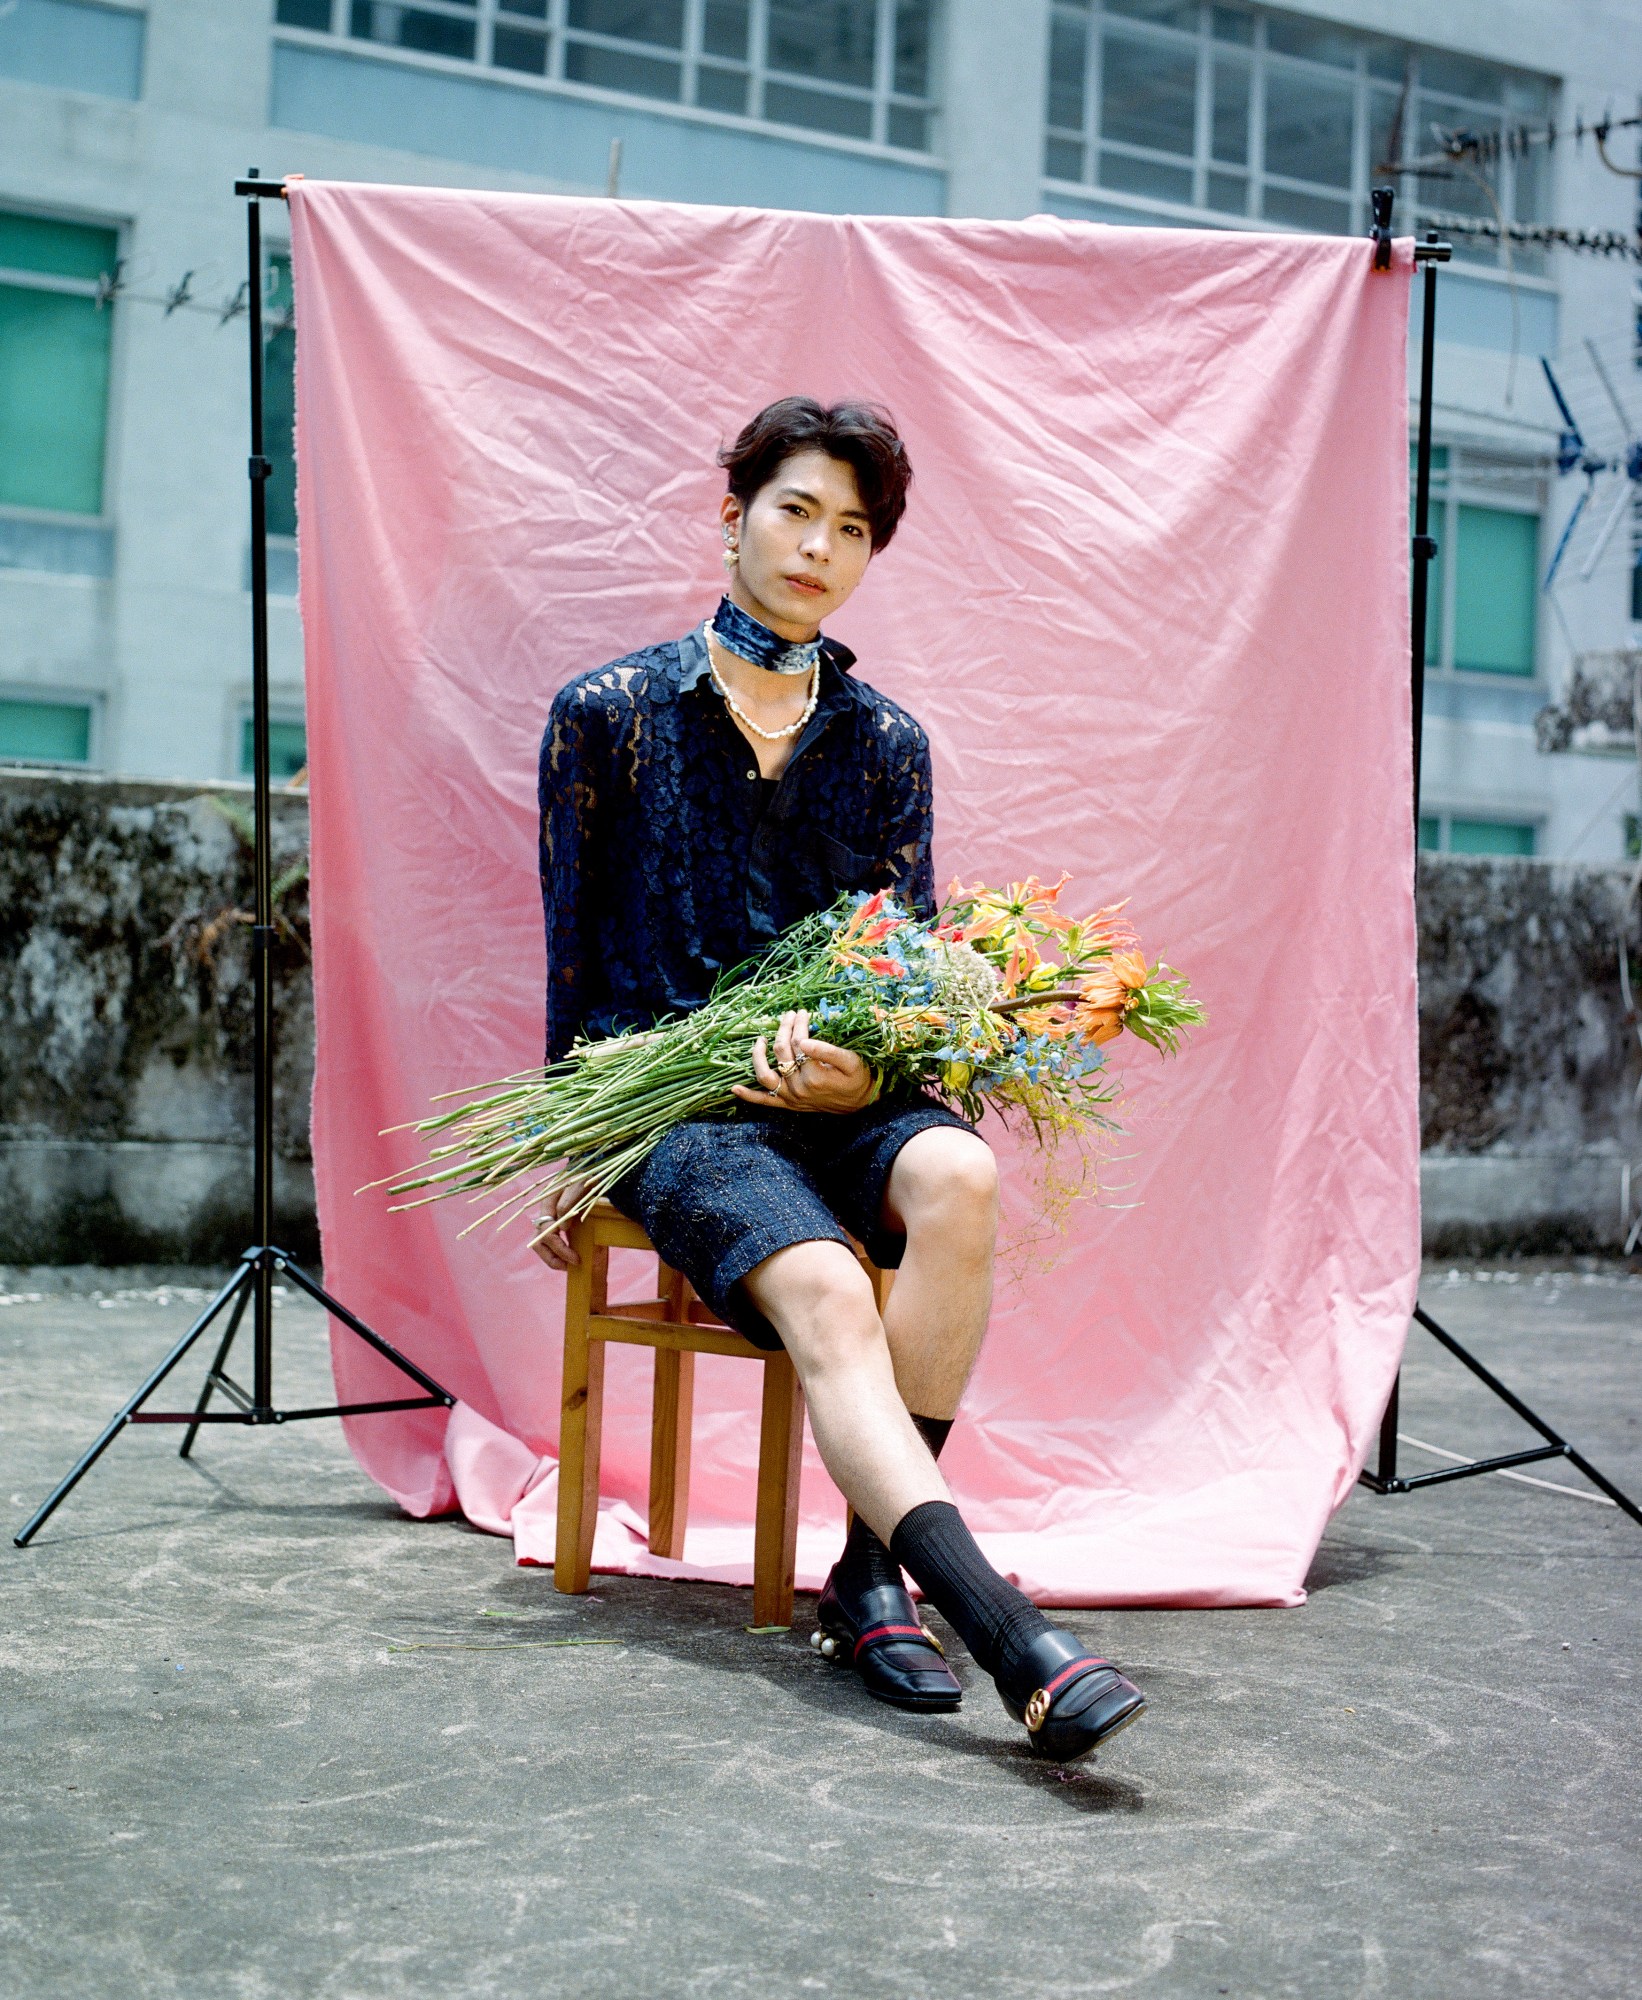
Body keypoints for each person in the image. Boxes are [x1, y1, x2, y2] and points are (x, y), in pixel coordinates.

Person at [529, 396, 1144, 1761]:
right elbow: (576, 970)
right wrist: (572, 1146)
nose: (817, 547)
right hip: (672, 1103)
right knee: (813, 1275)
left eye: (851, 529)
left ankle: (868, 1572)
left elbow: (903, 981)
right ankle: (1002, 1629)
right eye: (795, 510)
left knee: (961, 1172)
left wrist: (857, 1066)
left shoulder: (888, 745)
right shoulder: (607, 717)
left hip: (838, 1100)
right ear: (734, 511)